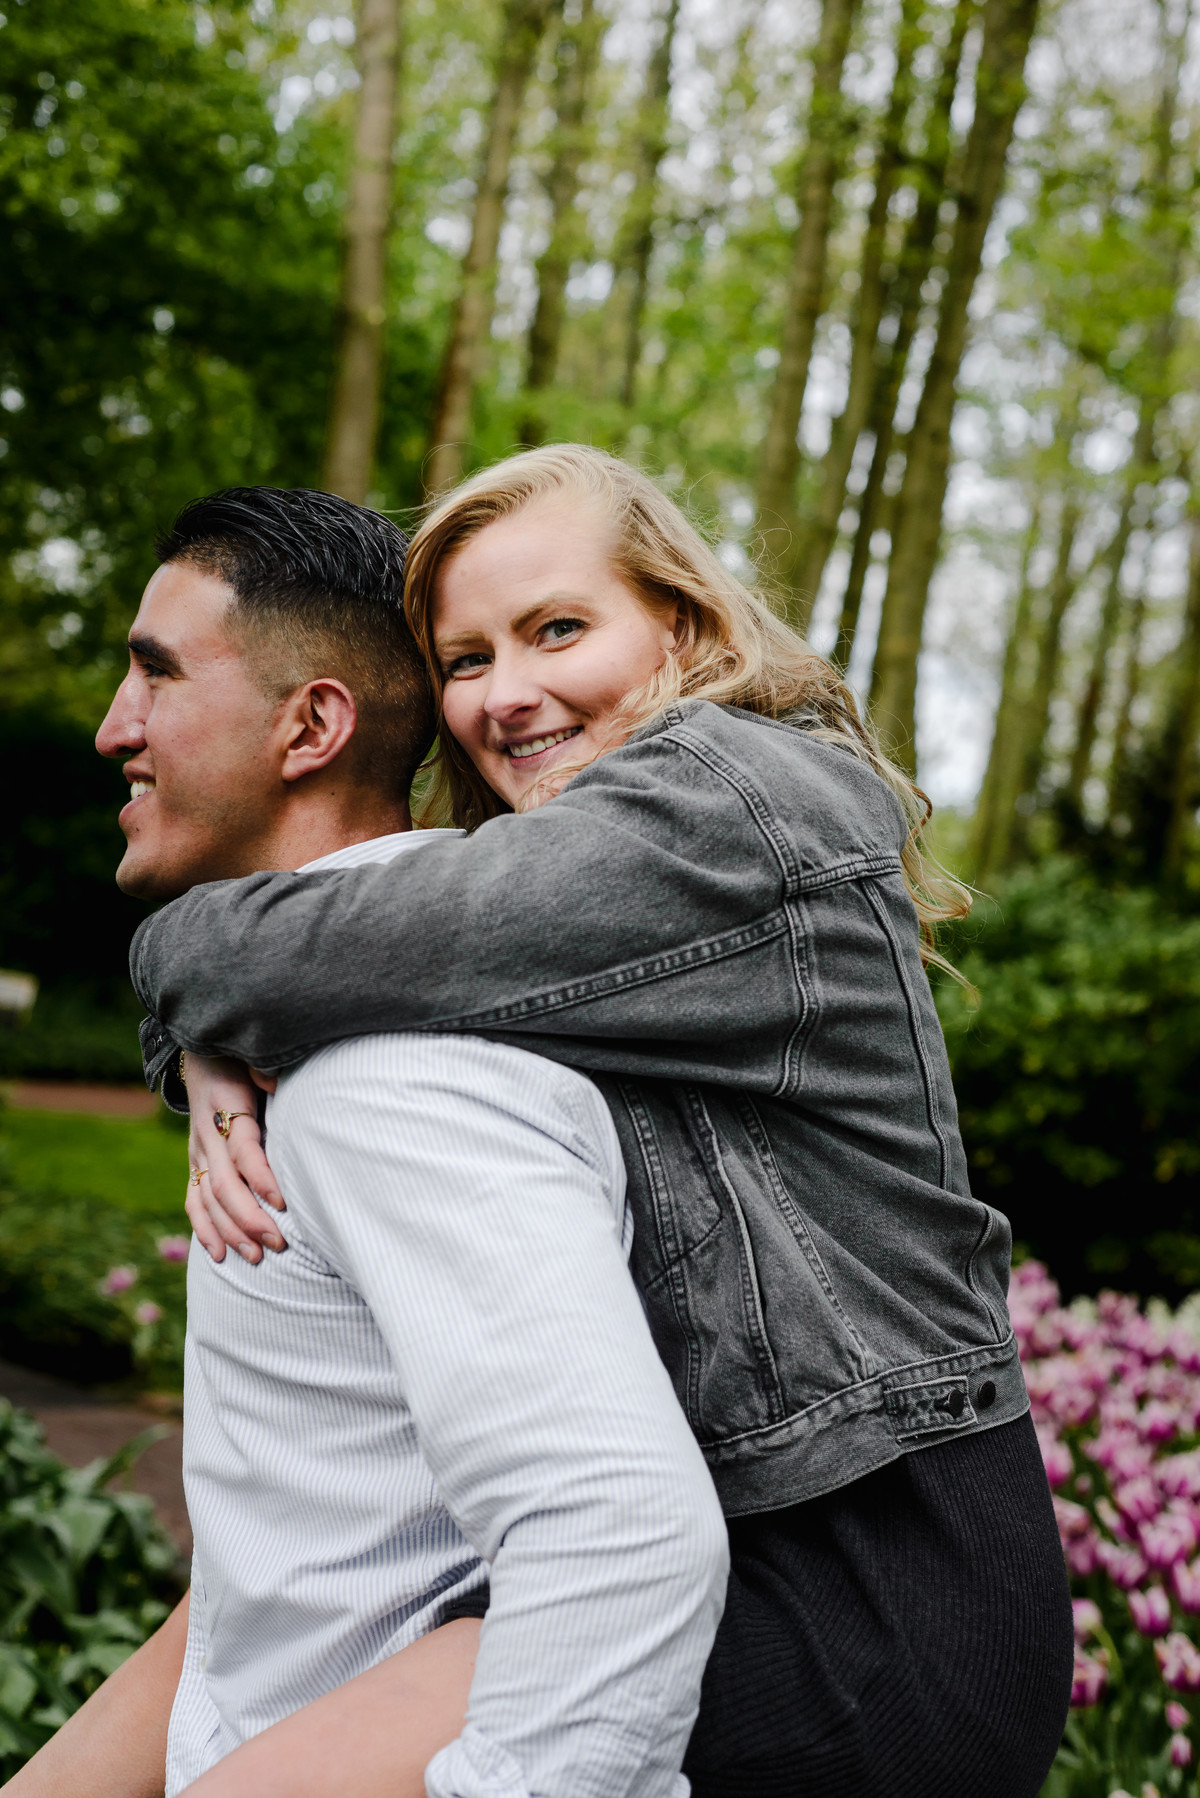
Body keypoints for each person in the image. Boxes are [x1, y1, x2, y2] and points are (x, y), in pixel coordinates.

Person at [137, 446, 1075, 1798]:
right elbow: (363, 959)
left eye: (558, 629)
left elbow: (380, 935)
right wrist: (230, 1030)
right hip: (773, 1541)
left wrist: (193, 994)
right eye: (465, 658)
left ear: (683, 626)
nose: (506, 692)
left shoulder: (733, 802)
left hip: (876, 1588)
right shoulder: (615, 879)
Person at [5, 486, 727, 1798]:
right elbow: (282, 1575)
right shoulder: (299, 1044)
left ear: (312, 724)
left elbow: (618, 1536)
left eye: (154, 674)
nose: (115, 727)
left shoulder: (386, 1079)